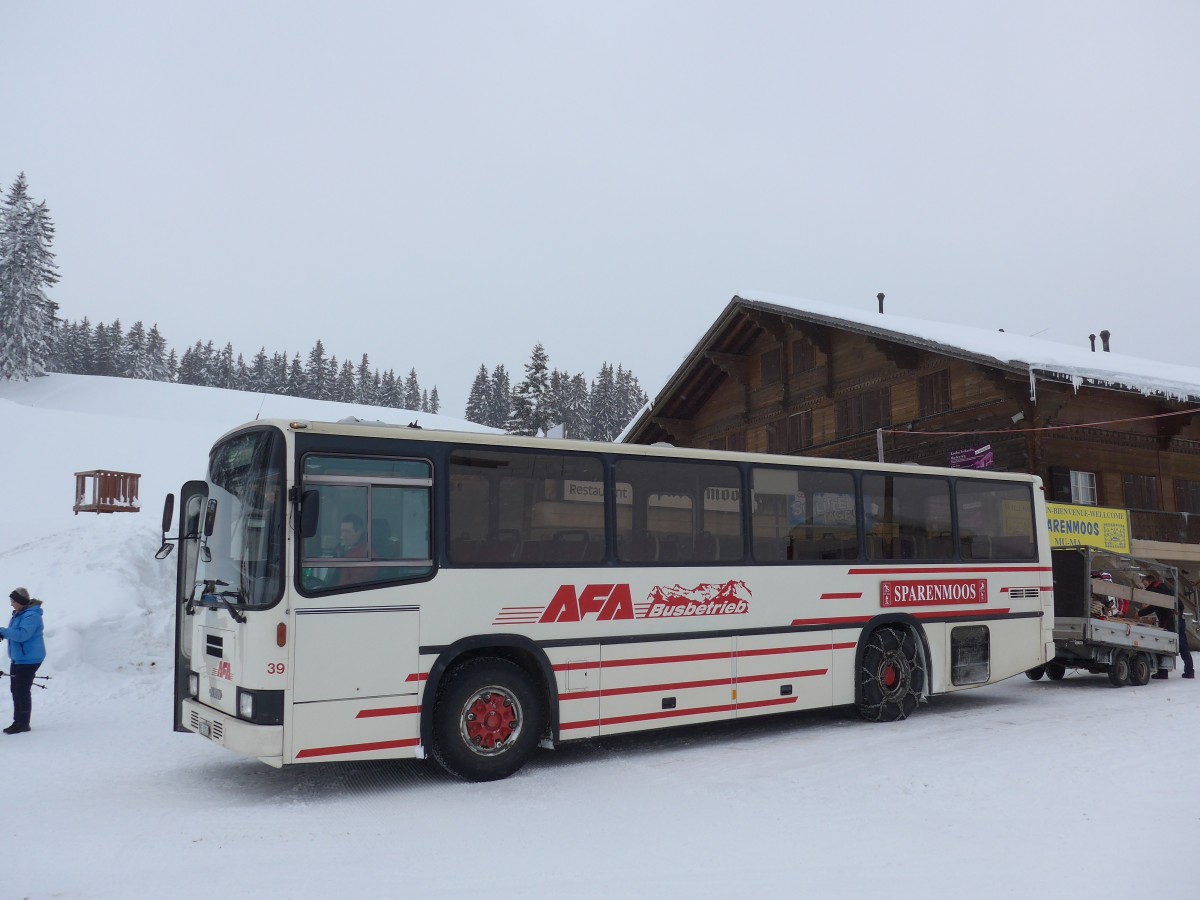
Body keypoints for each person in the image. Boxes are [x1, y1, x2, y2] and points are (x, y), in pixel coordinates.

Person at [0, 588, 46, 734]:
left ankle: (23, 723)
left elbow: (22, 635)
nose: (12, 604)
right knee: (15, 690)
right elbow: (15, 634)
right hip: (19, 658)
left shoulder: (31, 616)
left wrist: (2, 631)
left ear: (20, 601)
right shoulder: (19, 614)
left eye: (13, 601)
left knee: (21, 690)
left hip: (29, 659)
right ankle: (17, 721)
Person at [1140, 574, 1194, 680]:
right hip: (1177, 618)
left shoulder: (1155, 589)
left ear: (1150, 582)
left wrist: (1141, 612)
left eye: (1145, 584)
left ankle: (1163, 672)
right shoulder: (1163, 587)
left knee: (1162, 644)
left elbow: (1155, 605)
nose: (1145, 587)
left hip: (1170, 620)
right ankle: (1189, 671)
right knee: (1183, 646)